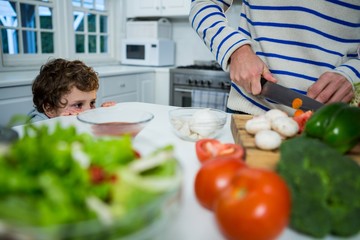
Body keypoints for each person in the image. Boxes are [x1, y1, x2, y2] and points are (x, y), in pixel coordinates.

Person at [189, 0, 360, 115]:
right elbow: (203, 3)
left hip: (332, 119)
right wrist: (237, 49)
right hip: (250, 112)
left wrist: (353, 74)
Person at [28, 58, 116, 122]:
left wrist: (103, 113)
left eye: (92, 103)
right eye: (78, 105)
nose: (89, 111)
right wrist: (60, 125)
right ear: (50, 109)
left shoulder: (82, 116)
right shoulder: (36, 125)